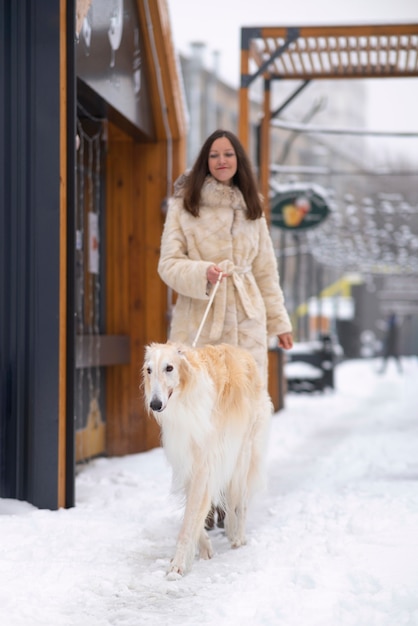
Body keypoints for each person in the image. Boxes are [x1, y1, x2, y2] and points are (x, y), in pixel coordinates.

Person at [158, 129, 293, 528]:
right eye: (214, 155)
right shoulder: (185, 205)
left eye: (228, 155)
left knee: (244, 411)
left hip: (247, 320)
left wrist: (279, 322)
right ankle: (203, 498)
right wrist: (203, 272)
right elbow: (167, 264)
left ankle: (235, 496)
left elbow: (266, 272)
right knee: (199, 410)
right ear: (205, 160)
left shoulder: (253, 207)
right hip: (200, 318)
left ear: (238, 161)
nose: (221, 161)